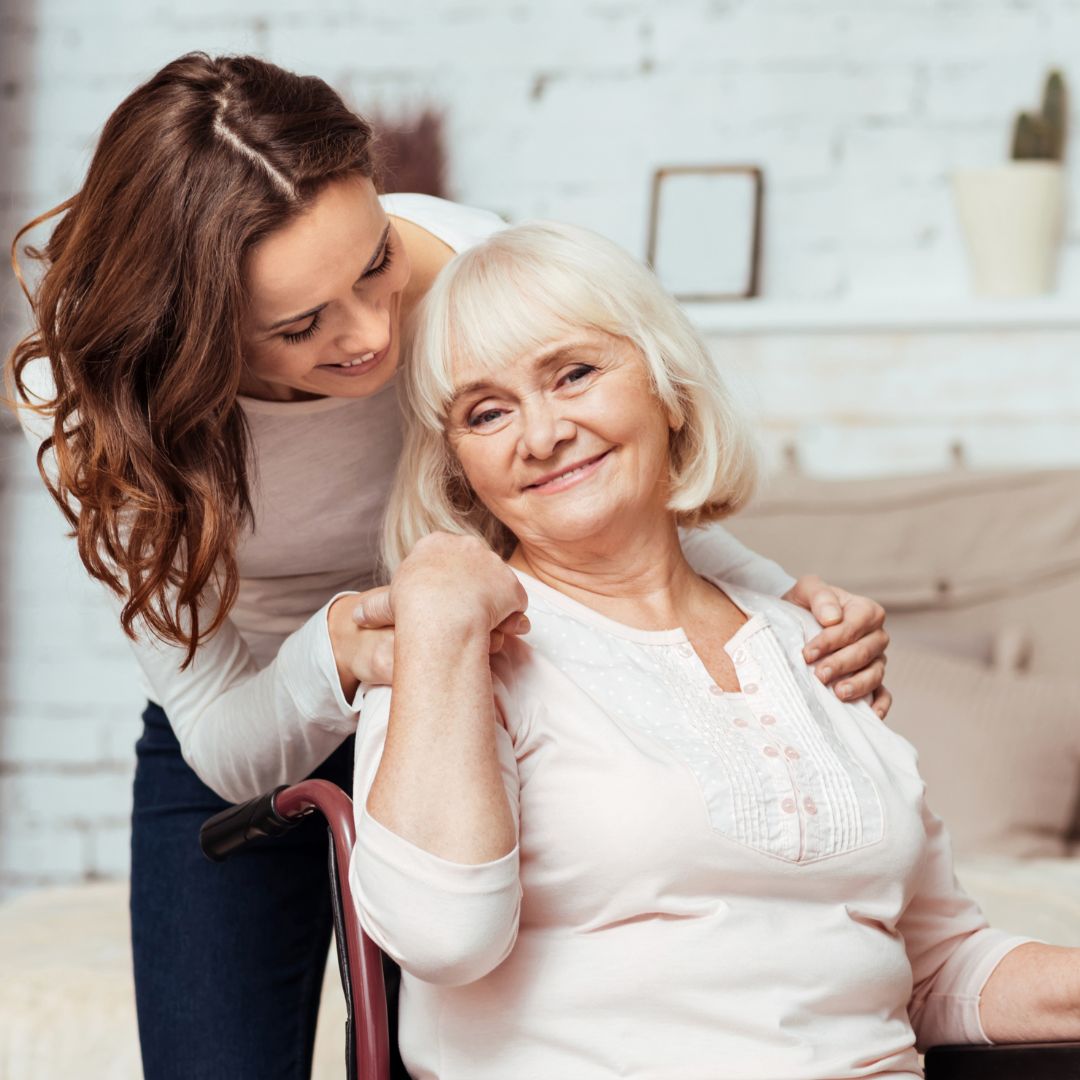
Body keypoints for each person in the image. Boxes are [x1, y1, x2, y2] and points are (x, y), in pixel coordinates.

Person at [8, 54, 891, 1080]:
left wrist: (784, 606)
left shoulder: (476, 265)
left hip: (474, 699)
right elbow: (226, 742)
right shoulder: (121, 420)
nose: (375, 332)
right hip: (254, 714)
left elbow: (602, 483)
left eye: (376, 262)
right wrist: (331, 660)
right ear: (194, 332)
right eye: (301, 328)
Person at [351, 221, 1080, 1079]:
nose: (541, 434)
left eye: (574, 374)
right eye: (487, 412)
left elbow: (937, 964)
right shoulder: (454, 658)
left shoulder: (813, 645)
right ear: (458, 465)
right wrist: (436, 602)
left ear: (668, 385)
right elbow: (440, 938)